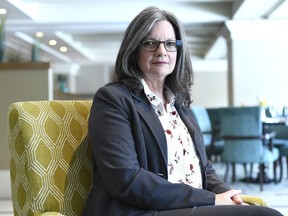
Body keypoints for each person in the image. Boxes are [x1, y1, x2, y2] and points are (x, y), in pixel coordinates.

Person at [83, 6, 283, 216]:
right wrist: (211, 199)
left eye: (170, 44)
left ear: (178, 51)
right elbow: (126, 178)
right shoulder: (113, 99)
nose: (162, 51)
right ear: (134, 49)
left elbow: (205, 168)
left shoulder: (180, 105)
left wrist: (227, 195)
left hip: (188, 206)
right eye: (150, 43)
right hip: (142, 211)